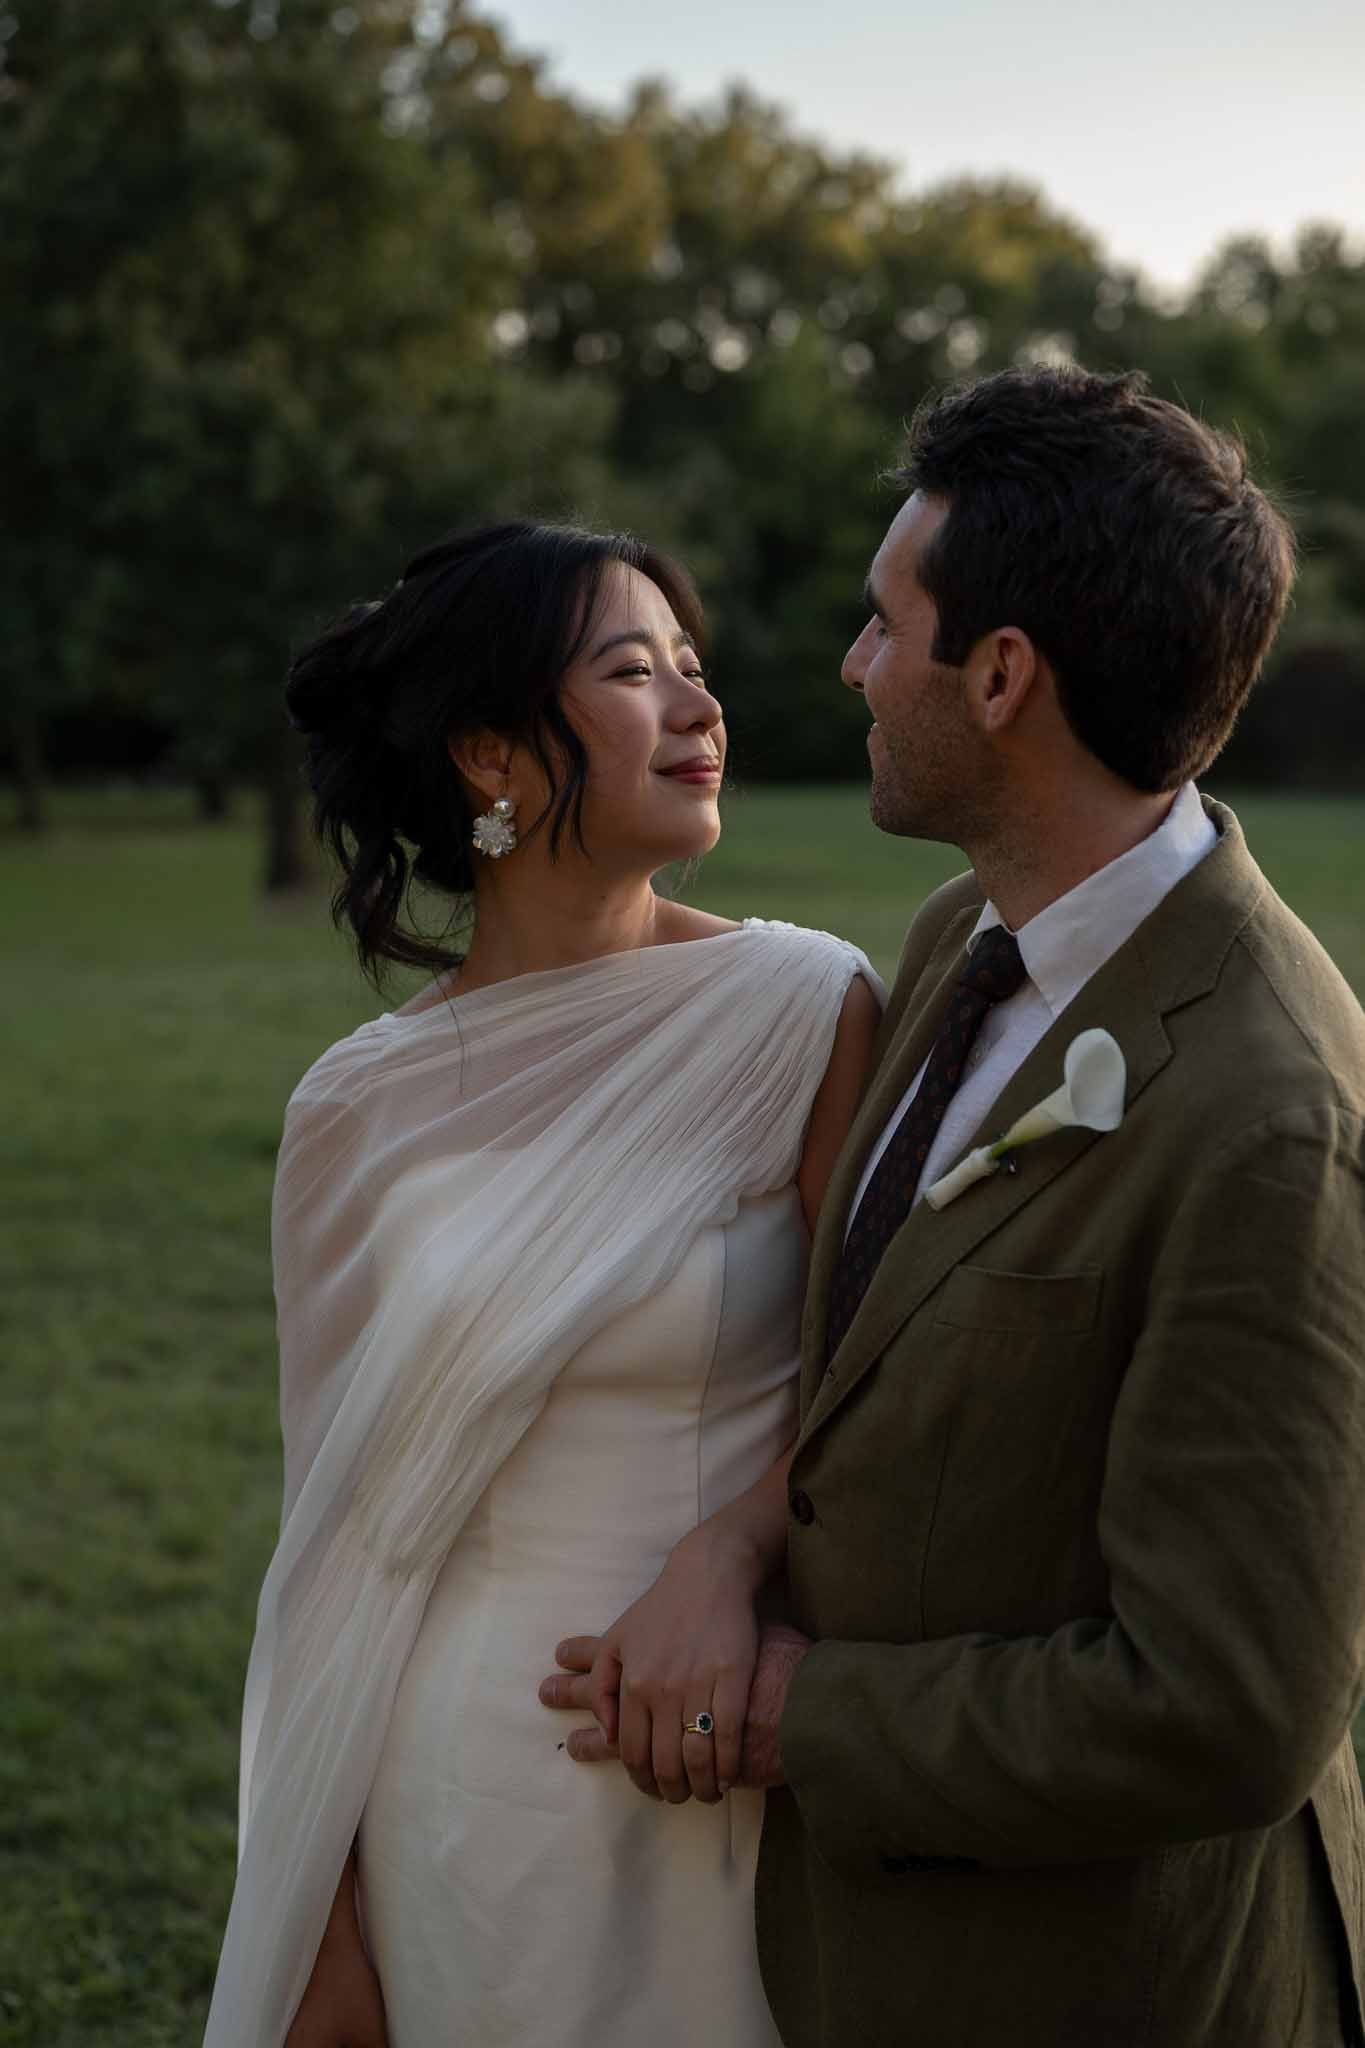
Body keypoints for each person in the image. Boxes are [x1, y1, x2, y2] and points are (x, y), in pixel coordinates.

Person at [544, 369, 1365, 2046]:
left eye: (881, 622)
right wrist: (736, 1539)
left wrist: (789, 1716)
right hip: (873, 1957)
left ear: (998, 677)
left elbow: (1218, 1713)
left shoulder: (1268, 1118)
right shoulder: (958, 943)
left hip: (1101, 1985)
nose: (850, 664)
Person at [201, 519, 882, 2048]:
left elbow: (878, 1389)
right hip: (466, 1788)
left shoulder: (803, 1004)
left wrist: (728, 1552)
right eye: (633, 673)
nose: (701, 707)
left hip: (732, 1753)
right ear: (491, 754)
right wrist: (317, 1906)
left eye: (693, 670)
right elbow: (338, 1532)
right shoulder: (358, 1105)